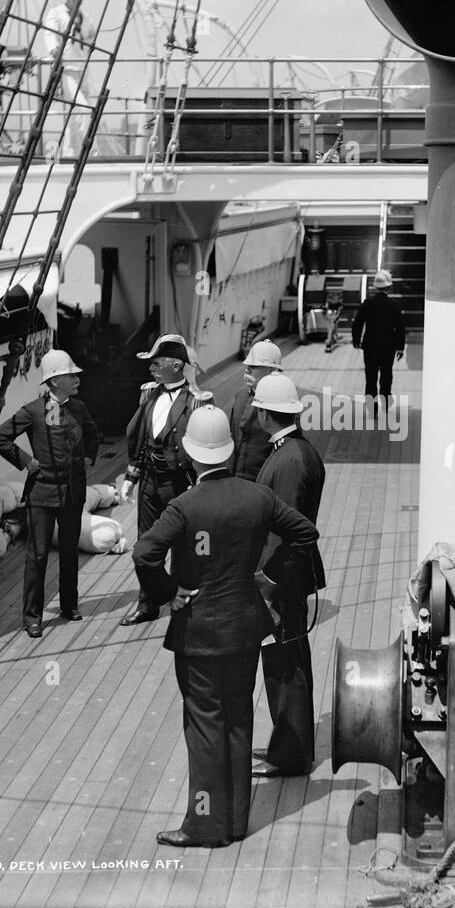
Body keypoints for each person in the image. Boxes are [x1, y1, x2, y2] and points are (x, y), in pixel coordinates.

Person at [134, 406, 319, 848]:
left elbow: (144, 553)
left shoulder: (184, 506)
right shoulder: (257, 496)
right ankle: (236, 821)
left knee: (203, 729)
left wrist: (170, 592)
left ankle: (204, 825)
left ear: (191, 453)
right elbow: (305, 534)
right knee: (238, 722)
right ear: (229, 451)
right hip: (244, 630)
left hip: (198, 635)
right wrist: (271, 578)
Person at [0, 349, 99, 638]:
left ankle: (69, 606)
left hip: (72, 494)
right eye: (69, 375)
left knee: (69, 550)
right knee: (37, 555)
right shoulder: (34, 411)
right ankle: (32, 617)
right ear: (53, 382)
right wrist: (26, 461)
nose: (76, 378)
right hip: (41, 494)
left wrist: (88, 458)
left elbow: (92, 435)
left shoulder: (79, 409)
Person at [250, 373, 326, 777]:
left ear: (265, 414)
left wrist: (272, 580)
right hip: (285, 576)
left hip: (283, 579)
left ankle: (292, 754)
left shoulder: (290, 459)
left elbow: (292, 531)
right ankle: (287, 744)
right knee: (285, 658)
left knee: (286, 663)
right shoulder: (297, 451)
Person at [119, 333, 213, 626]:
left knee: (185, 545)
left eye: (156, 363)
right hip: (149, 480)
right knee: (146, 543)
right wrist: (131, 477)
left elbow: (205, 442)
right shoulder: (148, 394)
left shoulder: (198, 401)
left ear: (175, 365)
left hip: (180, 483)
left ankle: (185, 602)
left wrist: (204, 483)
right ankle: (147, 604)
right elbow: (139, 438)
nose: (151, 369)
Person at [41, 0, 96, 159]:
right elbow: (49, 33)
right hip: (67, 70)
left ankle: (68, 151)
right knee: (83, 108)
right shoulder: (56, 14)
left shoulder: (85, 18)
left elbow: (90, 36)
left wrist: (87, 45)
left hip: (82, 69)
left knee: (73, 113)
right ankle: (93, 152)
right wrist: (53, 49)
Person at [226, 339, 282, 482]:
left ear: (271, 370)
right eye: (247, 365)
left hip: (262, 482)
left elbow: (285, 450)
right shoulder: (241, 395)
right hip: (235, 479)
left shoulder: (283, 403)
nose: (247, 369)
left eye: (254, 366)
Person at [351, 269, 406, 412]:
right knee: (386, 374)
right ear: (389, 287)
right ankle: (386, 401)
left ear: (376, 286)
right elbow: (400, 327)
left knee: (371, 377)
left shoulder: (368, 303)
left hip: (370, 346)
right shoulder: (394, 305)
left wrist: (356, 340)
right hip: (389, 346)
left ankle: (372, 408)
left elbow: (357, 323)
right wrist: (400, 347)